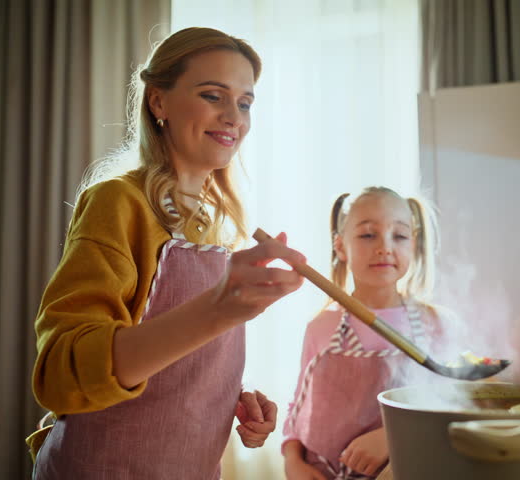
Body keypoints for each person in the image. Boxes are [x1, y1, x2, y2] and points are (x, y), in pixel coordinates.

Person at [25, 27, 306, 479]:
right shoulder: (118, 203)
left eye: (246, 102)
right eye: (214, 95)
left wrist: (233, 393)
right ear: (158, 102)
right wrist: (217, 311)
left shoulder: (221, 224)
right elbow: (62, 373)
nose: (235, 116)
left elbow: (174, 358)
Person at [282, 187, 442, 480]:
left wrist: (392, 437)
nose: (384, 247)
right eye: (368, 235)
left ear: (415, 245)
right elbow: (299, 406)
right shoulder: (321, 326)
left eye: (400, 236)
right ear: (341, 247)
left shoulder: (435, 324)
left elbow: (451, 405)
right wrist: (293, 461)